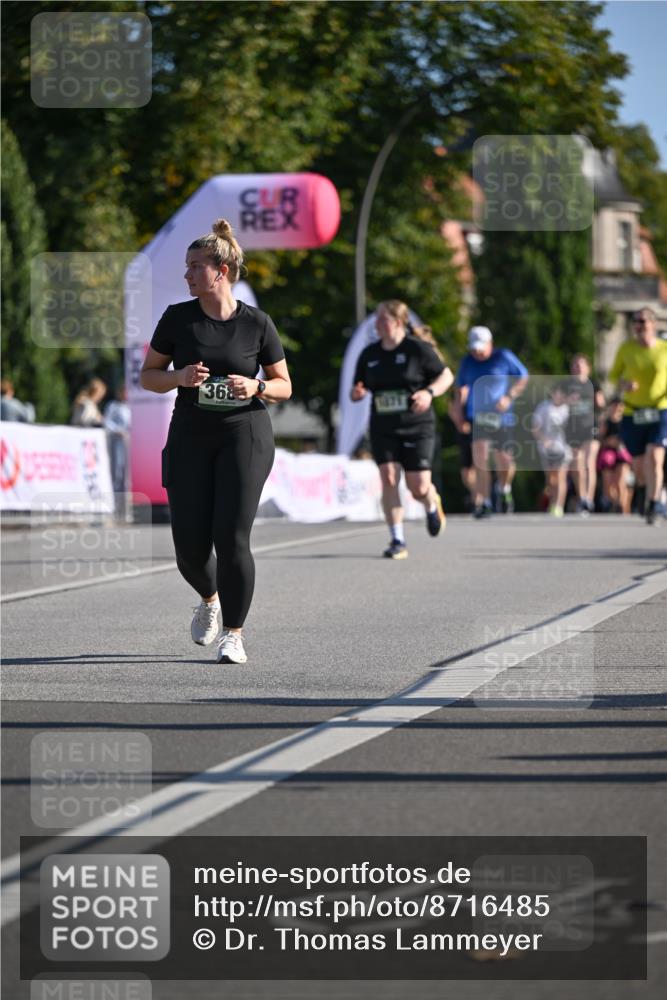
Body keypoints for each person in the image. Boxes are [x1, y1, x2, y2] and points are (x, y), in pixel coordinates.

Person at [140, 218, 291, 663]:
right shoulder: (177, 319)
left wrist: (257, 386)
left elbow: (284, 385)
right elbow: (149, 377)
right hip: (190, 434)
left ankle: (234, 634)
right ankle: (209, 599)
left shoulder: (257, 324)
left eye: (194, 267)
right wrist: (178, 378)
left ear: (220, 270)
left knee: (231, 536)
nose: (186, 275)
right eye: (186, 267)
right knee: (188, 546)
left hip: (243, 433)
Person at [350, 300, 453, 559]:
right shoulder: (369, 354)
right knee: (389, 478)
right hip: (383, 426)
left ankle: (431, 502)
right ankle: (397, 539)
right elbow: (357, 387)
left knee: (418, 487)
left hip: (417, 426)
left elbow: (446, 376)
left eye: (382, 319)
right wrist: (357, 393)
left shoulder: (417, 350)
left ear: (397, 322)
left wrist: (429, 393)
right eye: (376, 319)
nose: (377, 324)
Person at [452, 326, 528, 518]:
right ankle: (484, 501)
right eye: (474, 348)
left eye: (481, 348)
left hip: (501, 417)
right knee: (480, 459)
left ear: (490, 344)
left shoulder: (503, 357)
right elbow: (461, 390)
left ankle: (504, 489)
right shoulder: (467, 362)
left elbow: (522, 377)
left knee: (505, 460)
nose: (477, 352)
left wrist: (509, 397)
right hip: (477, 416)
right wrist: (459, 414)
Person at [608, 306, 667, 524]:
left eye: (643, 321)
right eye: (636, 322)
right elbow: (613, 376)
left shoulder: (664, 349)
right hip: (633, 411)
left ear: (653, 323)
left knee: (655, 456)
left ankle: (654, 503)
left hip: (660, 409)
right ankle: (643, 490)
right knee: (639, 465)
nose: (639, 326)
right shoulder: (626, 349)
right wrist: (624, 384)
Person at [561, 355, 605, 514]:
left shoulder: (593, 383)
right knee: (576, 465)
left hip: (589, 427)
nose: (577, 368)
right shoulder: (566, 385)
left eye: (580, 365)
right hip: (572, 428)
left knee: (588, 463)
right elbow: (557, 402)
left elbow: (601, 404)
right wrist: (567, 400)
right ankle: (581, 498)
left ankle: (589, 499)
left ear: (588, 368)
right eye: (575, 365)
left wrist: (596, 400)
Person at [532, 384, 572, 517]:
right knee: (551, 480)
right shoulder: (544, 407)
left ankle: (558, 505)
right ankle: (552, 502)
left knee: (561, 477)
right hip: (546, 449)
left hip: (563, 448)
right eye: (557, 393)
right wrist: (544, 440)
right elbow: (535, 427)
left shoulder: (568, 409)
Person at [597, 397, 632, 514]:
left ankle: (622, 506)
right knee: (608, 483)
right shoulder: (605, 421)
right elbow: (600, 440)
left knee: (621, 481)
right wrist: (608, 441)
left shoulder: (627, 421)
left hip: (622, 453)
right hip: (608, 454)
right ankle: (614, 502)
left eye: (620, 405)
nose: (617, 408)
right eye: (615, 405)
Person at [104, 384, 131, 495]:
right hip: (117, 440)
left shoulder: (128, 407)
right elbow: (106, 422)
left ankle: (125, 499)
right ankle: (115, 496)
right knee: (117, 468)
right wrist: (118, 430)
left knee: (127, 471)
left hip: (128, 440)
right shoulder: (112, 406)